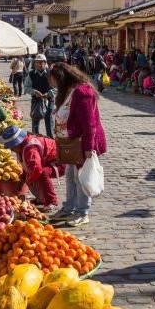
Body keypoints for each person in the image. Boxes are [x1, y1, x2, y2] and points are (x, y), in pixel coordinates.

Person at [50, 62, 106, 227]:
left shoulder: (82, 92)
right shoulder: (69, 91)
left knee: (80, 177)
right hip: (72, 143)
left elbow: (89, 124)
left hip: (82, 143)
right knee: (70, 176)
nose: (53, 84)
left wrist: (89, 148)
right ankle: (69, 208)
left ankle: (82, 212)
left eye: (54, 80)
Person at [0, 126, 64, 209]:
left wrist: (27, 181)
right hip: (48, 161)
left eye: (12, 147)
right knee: (29, 174)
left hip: (62, 162)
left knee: (42, 173)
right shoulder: (23, 147)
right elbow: (27, 167)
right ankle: (41, 199)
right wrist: (22, 181)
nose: (12, 150)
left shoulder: (31, 148)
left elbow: (37, 169)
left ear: (17, 143)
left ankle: (52, 201)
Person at [29, 54, 55, 137]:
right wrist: (34, 91)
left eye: (41, 62)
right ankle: (35, 139)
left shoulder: (51, 73)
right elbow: (26, 87)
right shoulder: (31, 74)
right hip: (36, 100)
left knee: (48, 120)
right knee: (35, 120)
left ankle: (50, 140)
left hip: (49, 100)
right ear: (34, 63)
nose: (39, 64)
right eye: (37, 62)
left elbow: (58, 87)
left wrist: (49, 93)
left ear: (45, 63)